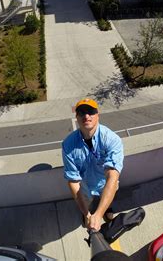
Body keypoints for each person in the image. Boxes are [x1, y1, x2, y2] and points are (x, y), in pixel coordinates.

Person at [62, 98, 124, 231]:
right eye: (82, 112)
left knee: (108, 196)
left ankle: (106, 208)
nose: (86, 116)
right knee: (87, 205)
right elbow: (73, 180)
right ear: (77, 117)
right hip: (84, 186)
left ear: (97, 115)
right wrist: (87, 214)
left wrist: (99, 214)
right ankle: (87, 211)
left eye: (90, 112)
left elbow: (112, 176)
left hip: (105, 182)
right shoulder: (68, 144)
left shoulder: (112, 139)